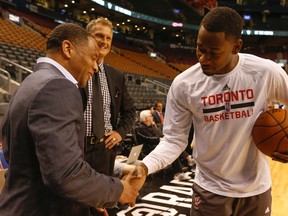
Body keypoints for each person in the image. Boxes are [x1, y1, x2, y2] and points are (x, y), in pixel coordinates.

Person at [137, 6, 288, 216]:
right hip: (210, 190)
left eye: (213, 52)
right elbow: (174, 140)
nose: (203, 59)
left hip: (256, 190)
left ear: (237, 46)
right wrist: (145, 166)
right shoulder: (184, 84)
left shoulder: (265, 72)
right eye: (200, 49)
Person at [0, 23, 141, 216]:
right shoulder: (59, 87)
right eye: (92, 57)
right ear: (68, 49)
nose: (95, 66)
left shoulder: (31, 82)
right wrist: (119, 190)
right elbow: (66, 175)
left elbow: (14, 155)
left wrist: (90, 196)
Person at [81, 17, 136, 215]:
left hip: (104, 149)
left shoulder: (116, 76)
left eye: (108, 38)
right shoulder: (76, 69)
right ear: (87, 37)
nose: (104, 41)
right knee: (76, 202)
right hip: (78, 147)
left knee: (101, 204)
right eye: (99, 36)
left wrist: (120, 132)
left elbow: (130, 111)